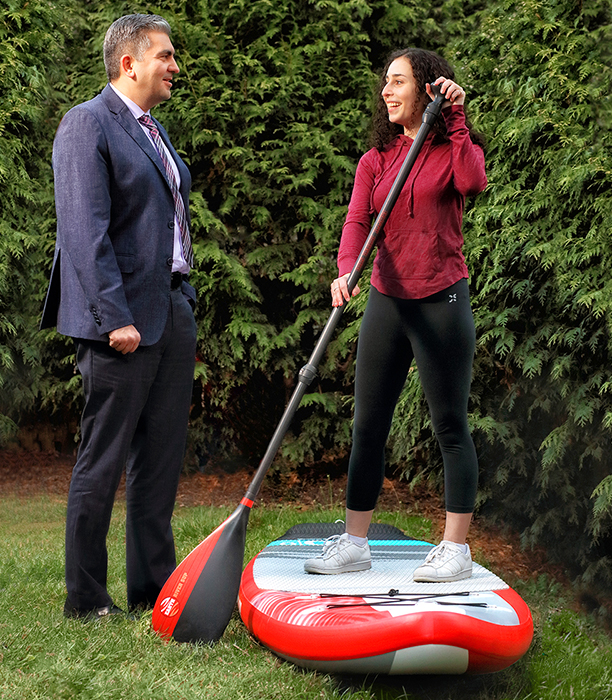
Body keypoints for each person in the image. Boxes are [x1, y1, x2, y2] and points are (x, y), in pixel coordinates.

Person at [304, 48, 487, 582]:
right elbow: (358, 221)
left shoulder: (453, 148)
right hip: (387, 299)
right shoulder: (376, 159)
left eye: (398, 82)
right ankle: (356, 542)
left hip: (442, 300)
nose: (387, 91)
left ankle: (456, 549)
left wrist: (455, 118)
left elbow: (472, 182)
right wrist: (346, 271)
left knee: (450, 424)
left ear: (426, 88)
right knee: (367, 425)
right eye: (385, 81)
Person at [40, 14, 197, 619]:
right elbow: (84, 232)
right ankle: (86, 598)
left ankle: (153, 590)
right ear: (128, 63)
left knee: (159, 461)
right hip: (123, 323)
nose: (174, 66)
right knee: (102, 461)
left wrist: (184, 299)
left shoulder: (153, 130)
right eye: (165, 55)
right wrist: (113, 317)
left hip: (172, 309)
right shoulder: (88, 123)